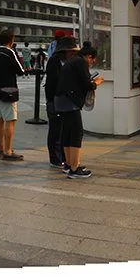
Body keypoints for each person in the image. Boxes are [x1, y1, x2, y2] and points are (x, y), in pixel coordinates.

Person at [53, 42, 103, 178]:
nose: (92, 62)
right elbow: (86, 84)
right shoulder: (81, 63)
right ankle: (74, 169)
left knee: (68, 133)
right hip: (70, 102)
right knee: (76, 133)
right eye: (93, 59)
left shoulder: (72, 61)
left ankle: (69, 164)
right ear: (88, 56)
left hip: (61, 100)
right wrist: (96, 83)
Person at [0, 28, 27, 161]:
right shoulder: (9, 52)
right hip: (8, 90)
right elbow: (20, 70)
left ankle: (0, 149)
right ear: (11, 39)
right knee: (10, 120)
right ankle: (8, 150)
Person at [43, 36, 72, 169]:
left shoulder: (66, 62)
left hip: (62, 100)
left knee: (62, 129)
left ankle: (62, 156)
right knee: (55, 130)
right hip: (54, 100)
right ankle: (55, 158)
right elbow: (55, 82)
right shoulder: (54, 61)